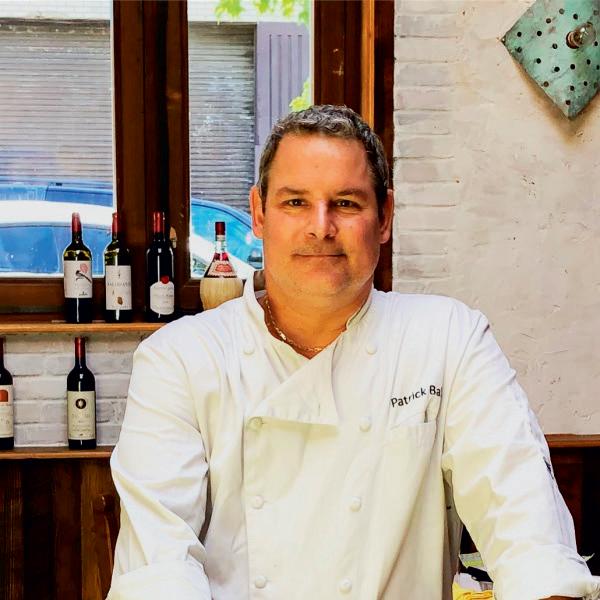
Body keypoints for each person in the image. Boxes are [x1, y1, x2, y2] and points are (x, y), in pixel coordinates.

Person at [107, 105, 599, 600]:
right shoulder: (180, 359)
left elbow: (525, 525)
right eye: (295, 202)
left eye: (345, 203)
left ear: (385, 216)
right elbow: (159, 567)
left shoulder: (449, 339)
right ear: (258, 213)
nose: (321, 227)